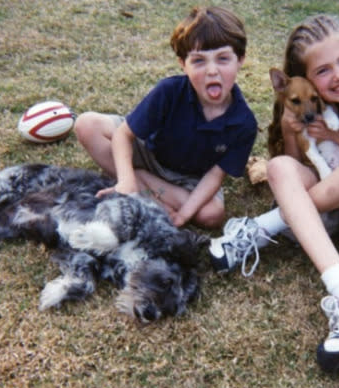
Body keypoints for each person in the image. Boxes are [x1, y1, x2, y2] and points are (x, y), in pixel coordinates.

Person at [209, 14, 339, 372]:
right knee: (277, 168)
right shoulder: (306, 102)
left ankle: (268, 228)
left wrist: (336, 137)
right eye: (322, 71)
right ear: (304, 80)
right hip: (331, 199)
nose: (337, 75)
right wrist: (291, 133)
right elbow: (294, 164)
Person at [74, 6, 257, 228]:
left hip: (190, 180)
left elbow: (214, 176)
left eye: (223, 59)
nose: (211, 71)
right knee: (86, 124)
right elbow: (124, 134)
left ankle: (142, 185)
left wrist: (182, 216)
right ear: (183, 64)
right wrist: (125, 178)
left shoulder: (245, 123)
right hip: (151, 155)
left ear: (240, 59)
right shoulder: (169, 91)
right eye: (199, 61)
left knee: (212, 216)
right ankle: (133, 181)